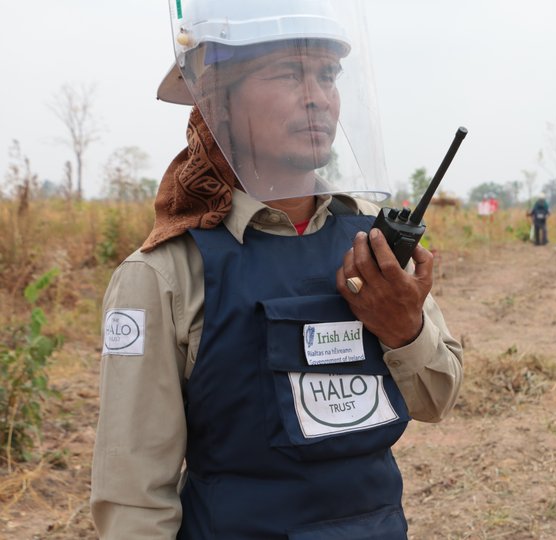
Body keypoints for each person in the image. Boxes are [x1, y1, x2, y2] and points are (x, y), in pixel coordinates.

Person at [90, 1, 462, 538]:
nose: (318, 97)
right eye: (288, 73)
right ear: (217, 101)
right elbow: (133, 496)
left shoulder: (371, 246)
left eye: (327, 75)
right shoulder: (165, 274)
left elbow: (436, 399)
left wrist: (405, 327)